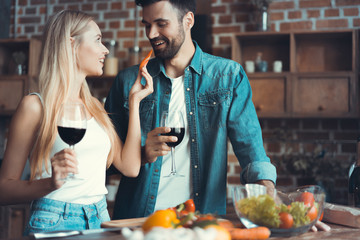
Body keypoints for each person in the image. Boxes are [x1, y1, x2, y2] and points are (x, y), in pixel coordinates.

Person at [105, 0, 276, 220]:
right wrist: (141, 154)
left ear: (188, 21)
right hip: (137, 221)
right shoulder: (128, 81)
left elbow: (252, 152)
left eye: (161, 23)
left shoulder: (228, 76)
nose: (151, 33)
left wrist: (271, 199)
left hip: (199, 222)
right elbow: (105, 159)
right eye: (147, 25)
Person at [0, 10, 153, 235]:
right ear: (71, 44)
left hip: (100, 218)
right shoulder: (35, 106)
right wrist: (51, 183)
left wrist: (135, 102)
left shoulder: (95, 107)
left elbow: (129, 167)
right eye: (98, 40)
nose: (106, 50)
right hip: (54, 219)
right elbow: (4, 189)